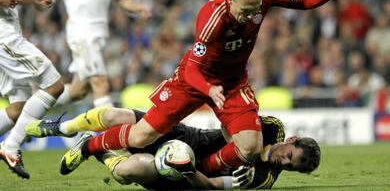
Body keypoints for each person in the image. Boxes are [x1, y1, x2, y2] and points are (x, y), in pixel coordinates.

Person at [32, 0, 336, 176]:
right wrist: (208, 88)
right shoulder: (212, 17)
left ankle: (199, 171)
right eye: (243, 11)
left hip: (233, 83)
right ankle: (88, 146)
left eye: (253, 10)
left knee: (251, 147)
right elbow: (191, 67)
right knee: (140, 136)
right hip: (194, 81)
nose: (248, 17)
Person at [26, 106, 321, 189]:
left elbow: (213, 186)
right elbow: (231, 121)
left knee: (128, 171)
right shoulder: (272, 126)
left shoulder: (261, 179)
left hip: (182, 171)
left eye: (290, 167)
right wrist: (244, 149)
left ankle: (102, 153)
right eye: (290, 157)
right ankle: (65, 128)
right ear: (292, 141)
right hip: (193, 137)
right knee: (115, 115)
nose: (284, 163)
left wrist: (187, 169)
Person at [41, 0, 150, 108]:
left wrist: (137, 8)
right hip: (81, 33)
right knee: (101, 84)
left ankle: (35, 102)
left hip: (100, 35)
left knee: (77, 91)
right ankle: (106, 130)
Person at [0, 0, 64, 179]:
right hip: (3, 37)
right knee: (55, 85)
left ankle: (9, 145)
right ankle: (10, 146)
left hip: (10, 31)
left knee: (18, 109)